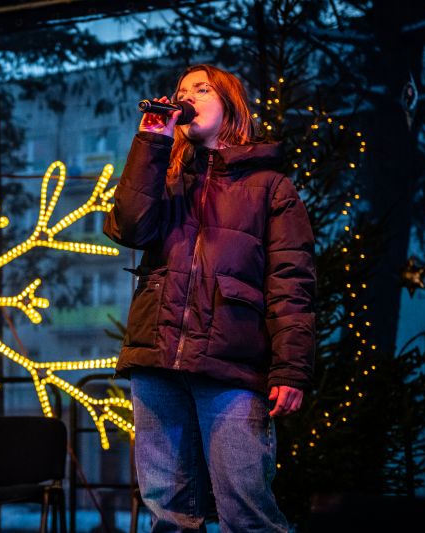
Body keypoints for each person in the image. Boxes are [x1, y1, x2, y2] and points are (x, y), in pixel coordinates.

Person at [103, 64, 316, 532]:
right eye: (182, 91)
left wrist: (291, 369)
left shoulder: (270, 188)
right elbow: (128, 227)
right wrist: (152, 141)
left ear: (230, 105)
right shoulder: (166, 175)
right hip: (158, 359)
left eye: (202, 89)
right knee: (168, 508)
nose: (188, 97)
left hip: (233, 362)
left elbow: (291, 283)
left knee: (246, 508)